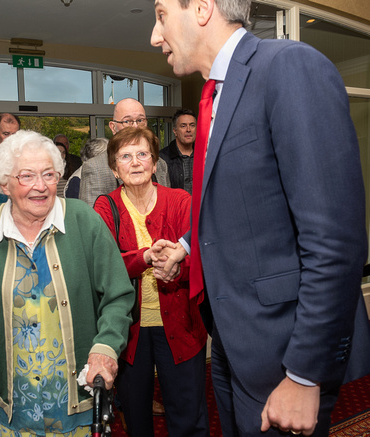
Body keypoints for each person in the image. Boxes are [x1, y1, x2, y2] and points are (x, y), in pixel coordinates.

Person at [150, 1, 370, 436]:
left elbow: (334, 241)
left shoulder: (289, 67)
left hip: (284, 354)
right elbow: (242, 204)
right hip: (233, 343)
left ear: (200, 8)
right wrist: (188, 247)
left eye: (159, 15)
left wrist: (304, 374)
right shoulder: (215, 94)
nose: (154, 37)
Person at [0, 130, 135, 436]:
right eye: (27, 176)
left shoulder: (84, 220)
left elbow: (118, 295)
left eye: (49, 174)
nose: (40, 186)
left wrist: (106, 347)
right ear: (4, 183)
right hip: (12, 410)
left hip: (79, 407)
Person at [94, 127, 208, 437]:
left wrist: (176, 270)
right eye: (126, 157)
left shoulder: (180, 200)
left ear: (155, 162)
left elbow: (198, 257)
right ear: (115, 168)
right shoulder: (106, 207)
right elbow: (103, 265)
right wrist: (145, 257)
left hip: (182, 327)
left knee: (188, 418)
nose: (135, 162)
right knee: (135, 418)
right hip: (129, 332)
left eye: (143, 154)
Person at [79, 98, 170, 207]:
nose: (135, 126)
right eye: (127, 121)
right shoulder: (95, 168)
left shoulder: (160, 164)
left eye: (140, 120)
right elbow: (92, 221)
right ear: (113, 127)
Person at [159, 108, 196, 194]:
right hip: (174, 207)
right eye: (183, 126)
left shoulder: (205, 156)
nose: (188, 130)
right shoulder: (162, 158)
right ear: (175, 131)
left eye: (192, 125)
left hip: (200, 207)